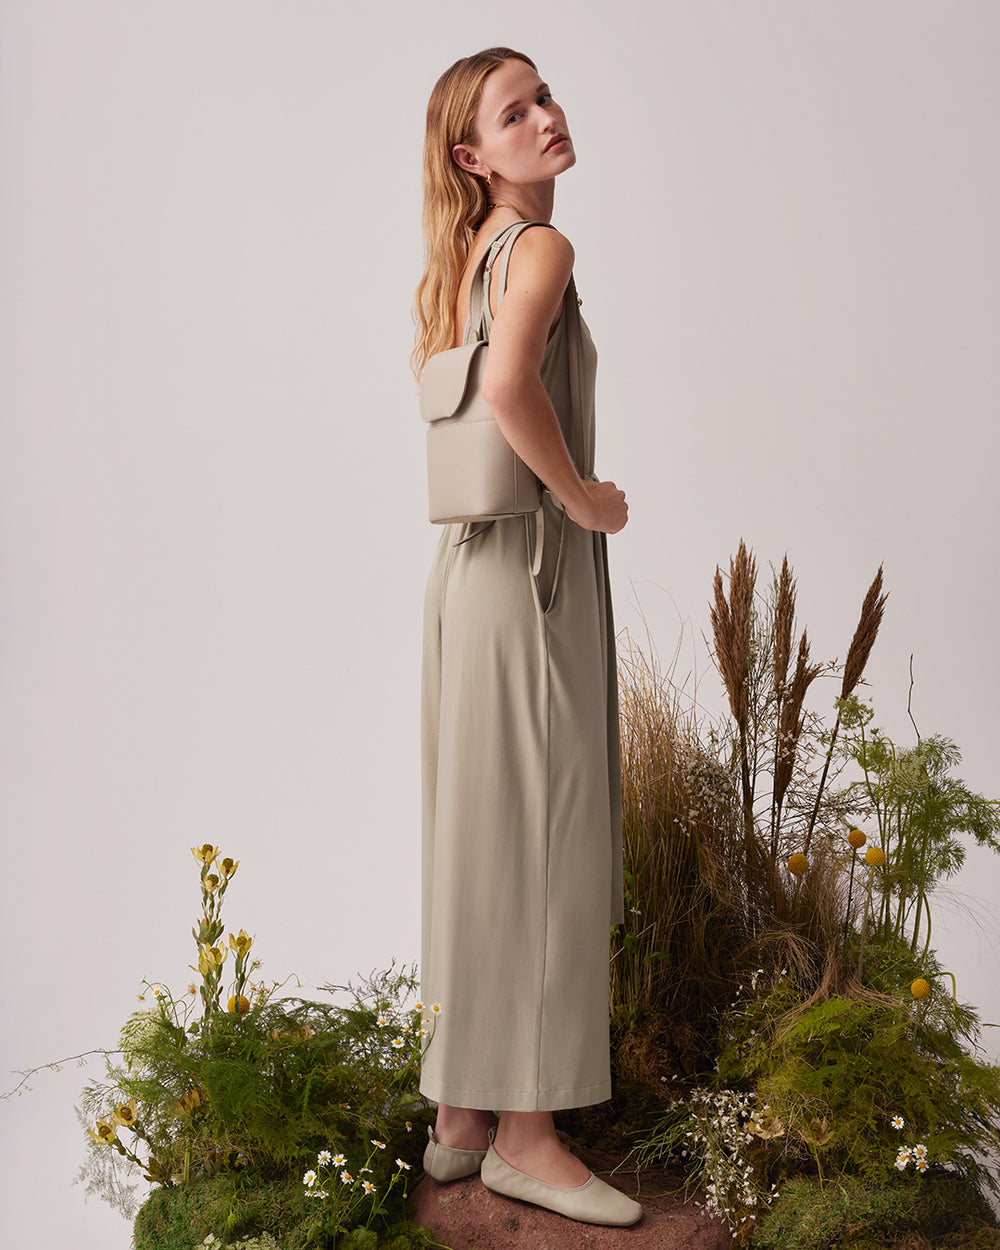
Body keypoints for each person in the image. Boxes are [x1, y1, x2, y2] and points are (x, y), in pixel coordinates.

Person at [413, 48, 640, 1227]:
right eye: (515, 112)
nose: (546, 117)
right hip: (531, 576)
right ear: (473, 155)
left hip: (465, 578)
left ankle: (459, 1113)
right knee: (544, 841)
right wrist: (581, 498)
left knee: (479, 839)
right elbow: (508, 387)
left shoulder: (466, 257)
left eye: (543, 96)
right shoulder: (540, 246)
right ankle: (528, 1134)